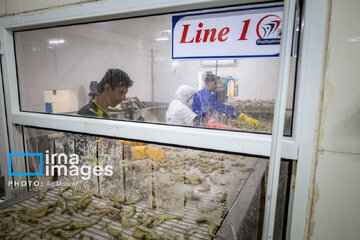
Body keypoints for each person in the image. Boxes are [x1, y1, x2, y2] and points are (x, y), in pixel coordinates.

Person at [191, 73, 259, 128]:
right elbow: (221, 107)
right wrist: (241, 116)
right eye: (215, 83)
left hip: (198, 122)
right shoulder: (206, 95)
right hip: (199, 124)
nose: (217, 86)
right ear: (208, 83)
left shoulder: (200, 93)